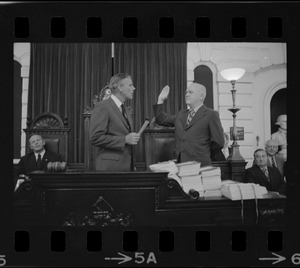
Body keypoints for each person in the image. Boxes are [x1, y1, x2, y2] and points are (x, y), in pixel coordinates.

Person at [153, 83, 224, 167]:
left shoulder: (211, 114)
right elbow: (161, 120)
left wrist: (202, 152)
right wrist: (160, 100)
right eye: (186, 92)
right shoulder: (181, 114)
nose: (187, 94)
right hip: (180, 164)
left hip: (200, 165)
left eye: (190, 92)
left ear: (201, 96)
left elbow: (218, 142)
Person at [90, 73, 140, 171]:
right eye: (130, 85)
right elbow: (95, 137)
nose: (133, 88)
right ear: (120, 87)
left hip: (126, 168)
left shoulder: (125, 109)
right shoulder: (102, 106)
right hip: (110, 169)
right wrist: (124, 139)